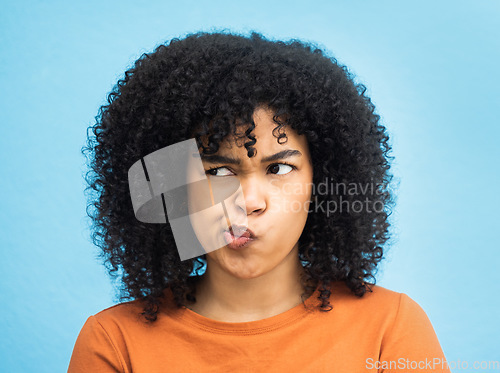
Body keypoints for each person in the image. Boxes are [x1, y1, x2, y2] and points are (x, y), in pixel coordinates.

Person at [69, 31, 451, 372]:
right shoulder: (115, 344)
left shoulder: (390, 328)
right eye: (217, 171)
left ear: (323, 181)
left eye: (280, 169)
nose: (248, 201)